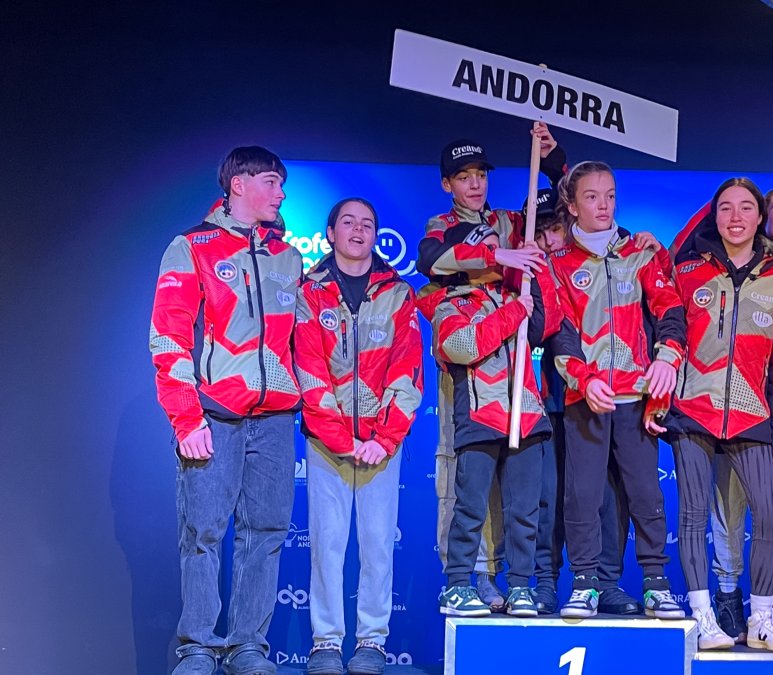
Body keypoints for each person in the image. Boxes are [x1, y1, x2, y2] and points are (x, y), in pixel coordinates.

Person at [150, 146, 301, 675]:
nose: (281, 193)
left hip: (277, 416)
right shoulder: (192, 246)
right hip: (215, 412)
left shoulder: (289, 256)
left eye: (282, 184)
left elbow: (301, 338)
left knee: (266, 532)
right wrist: (186, 418)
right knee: (204, 532)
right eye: (271, 181)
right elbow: (167, 339)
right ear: (238, 185)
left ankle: (247, 646)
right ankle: (197, 646)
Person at [417, 124, 567, 608]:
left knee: (525, 509)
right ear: (448, 184)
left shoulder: (510, 218)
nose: (475, 183)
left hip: (524, 398)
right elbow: (431, 258)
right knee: (468, 501)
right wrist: (498, 256)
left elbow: (562, 205)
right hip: (475, 396)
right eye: (464, 176)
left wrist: (551, 157)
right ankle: (460, 579)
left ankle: (520, 583)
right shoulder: (441, 227)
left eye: (481, 174)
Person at [550, 161, 687, 619]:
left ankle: (656, 583)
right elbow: (562, 333)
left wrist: (668, 357)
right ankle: (584, 584)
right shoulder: (560, 263)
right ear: (571, 204)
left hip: (637, 397)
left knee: (645, 493)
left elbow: (671, 310)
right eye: (591, 196)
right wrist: (583, 378)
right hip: (584, 396)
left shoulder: (641, 254)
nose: (603, 205)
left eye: (610, 195)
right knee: (583, 495)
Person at [669, 178, 773, 651]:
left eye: (747, 207)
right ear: (714, 215)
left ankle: (762, 618)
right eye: (725, 208)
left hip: (753, 411)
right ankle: (703, 617)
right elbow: (668, 334)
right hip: (693, 409)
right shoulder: (686, 271)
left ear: (760, 216)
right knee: (691, 515)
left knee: (769, 513)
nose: (736, 217)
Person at [294, 198, 423, 675]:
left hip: (379, 444)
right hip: (327, 443)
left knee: (375, 543)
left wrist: (383, 439)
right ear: (330, 232)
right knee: (326, 544)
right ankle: (326, 644)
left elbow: (408, 370)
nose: (358, 230)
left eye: (367, 224)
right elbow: (307, 369)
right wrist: (338, 437)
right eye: (348, 222)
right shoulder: (310, 292)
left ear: (376, 236)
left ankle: (372, 641)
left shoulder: (398, 293)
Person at [530, 189, 642, 616]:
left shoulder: (614, 254)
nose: (551, 241)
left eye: (556, 229)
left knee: (607, 493)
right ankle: (543, 581)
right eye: (541, 234)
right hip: (546, 399)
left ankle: (606, 581)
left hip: (600, 394)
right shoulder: (533, 271)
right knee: (548, 494)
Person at [708, 185, 773, 641]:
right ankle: (728, 602)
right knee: (727, 505)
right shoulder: (730, 259)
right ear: (763, 216)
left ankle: (772, 605)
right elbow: (690, 239)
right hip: (729, 405)